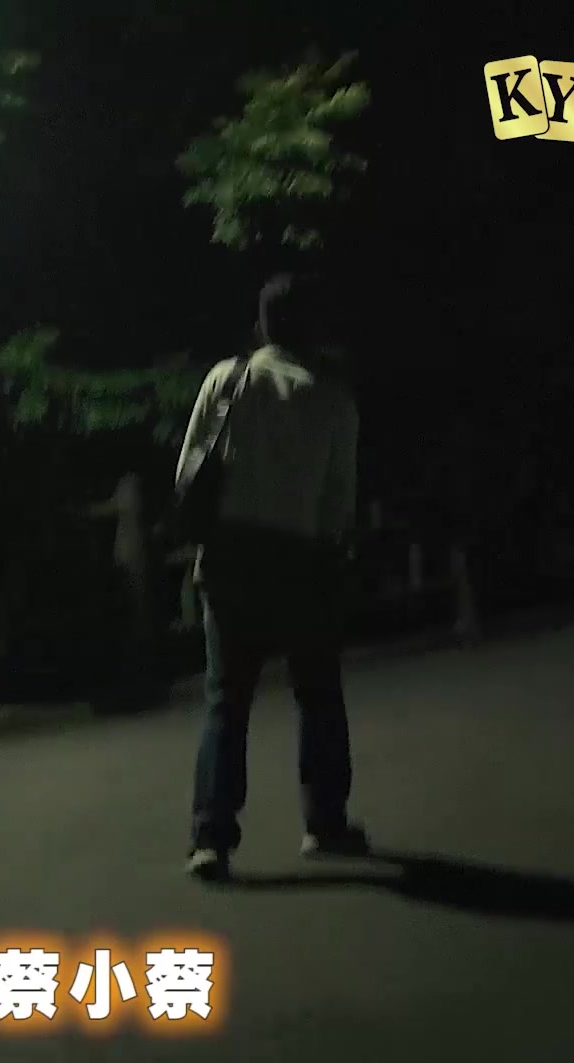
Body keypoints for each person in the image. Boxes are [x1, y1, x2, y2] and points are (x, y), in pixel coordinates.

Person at [173, 272, 367, 881]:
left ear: (260, 326)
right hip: (302, 560)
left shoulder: (226, 381)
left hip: (231, 559)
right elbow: (339, 504)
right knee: (318, 694)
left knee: (226, 701)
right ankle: (325, 823)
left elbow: (188, 474)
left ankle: (211, 838)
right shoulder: (332, 399)